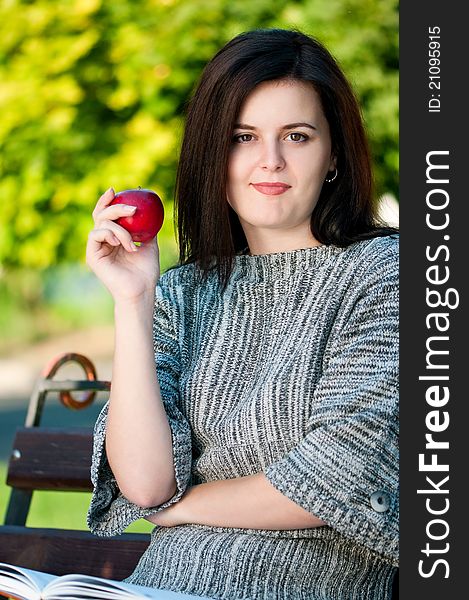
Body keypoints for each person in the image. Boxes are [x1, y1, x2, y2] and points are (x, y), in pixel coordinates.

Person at [86, 28, 399, 600]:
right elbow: (148, 482)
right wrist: (133, 302)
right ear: (214, 155)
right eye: (243, 137)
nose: (270, 161)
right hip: (156, 589)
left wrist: (188, 507)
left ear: (333, 155)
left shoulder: (383, 273)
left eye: (297, 136)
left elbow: (342, 475)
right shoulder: (183, 293)